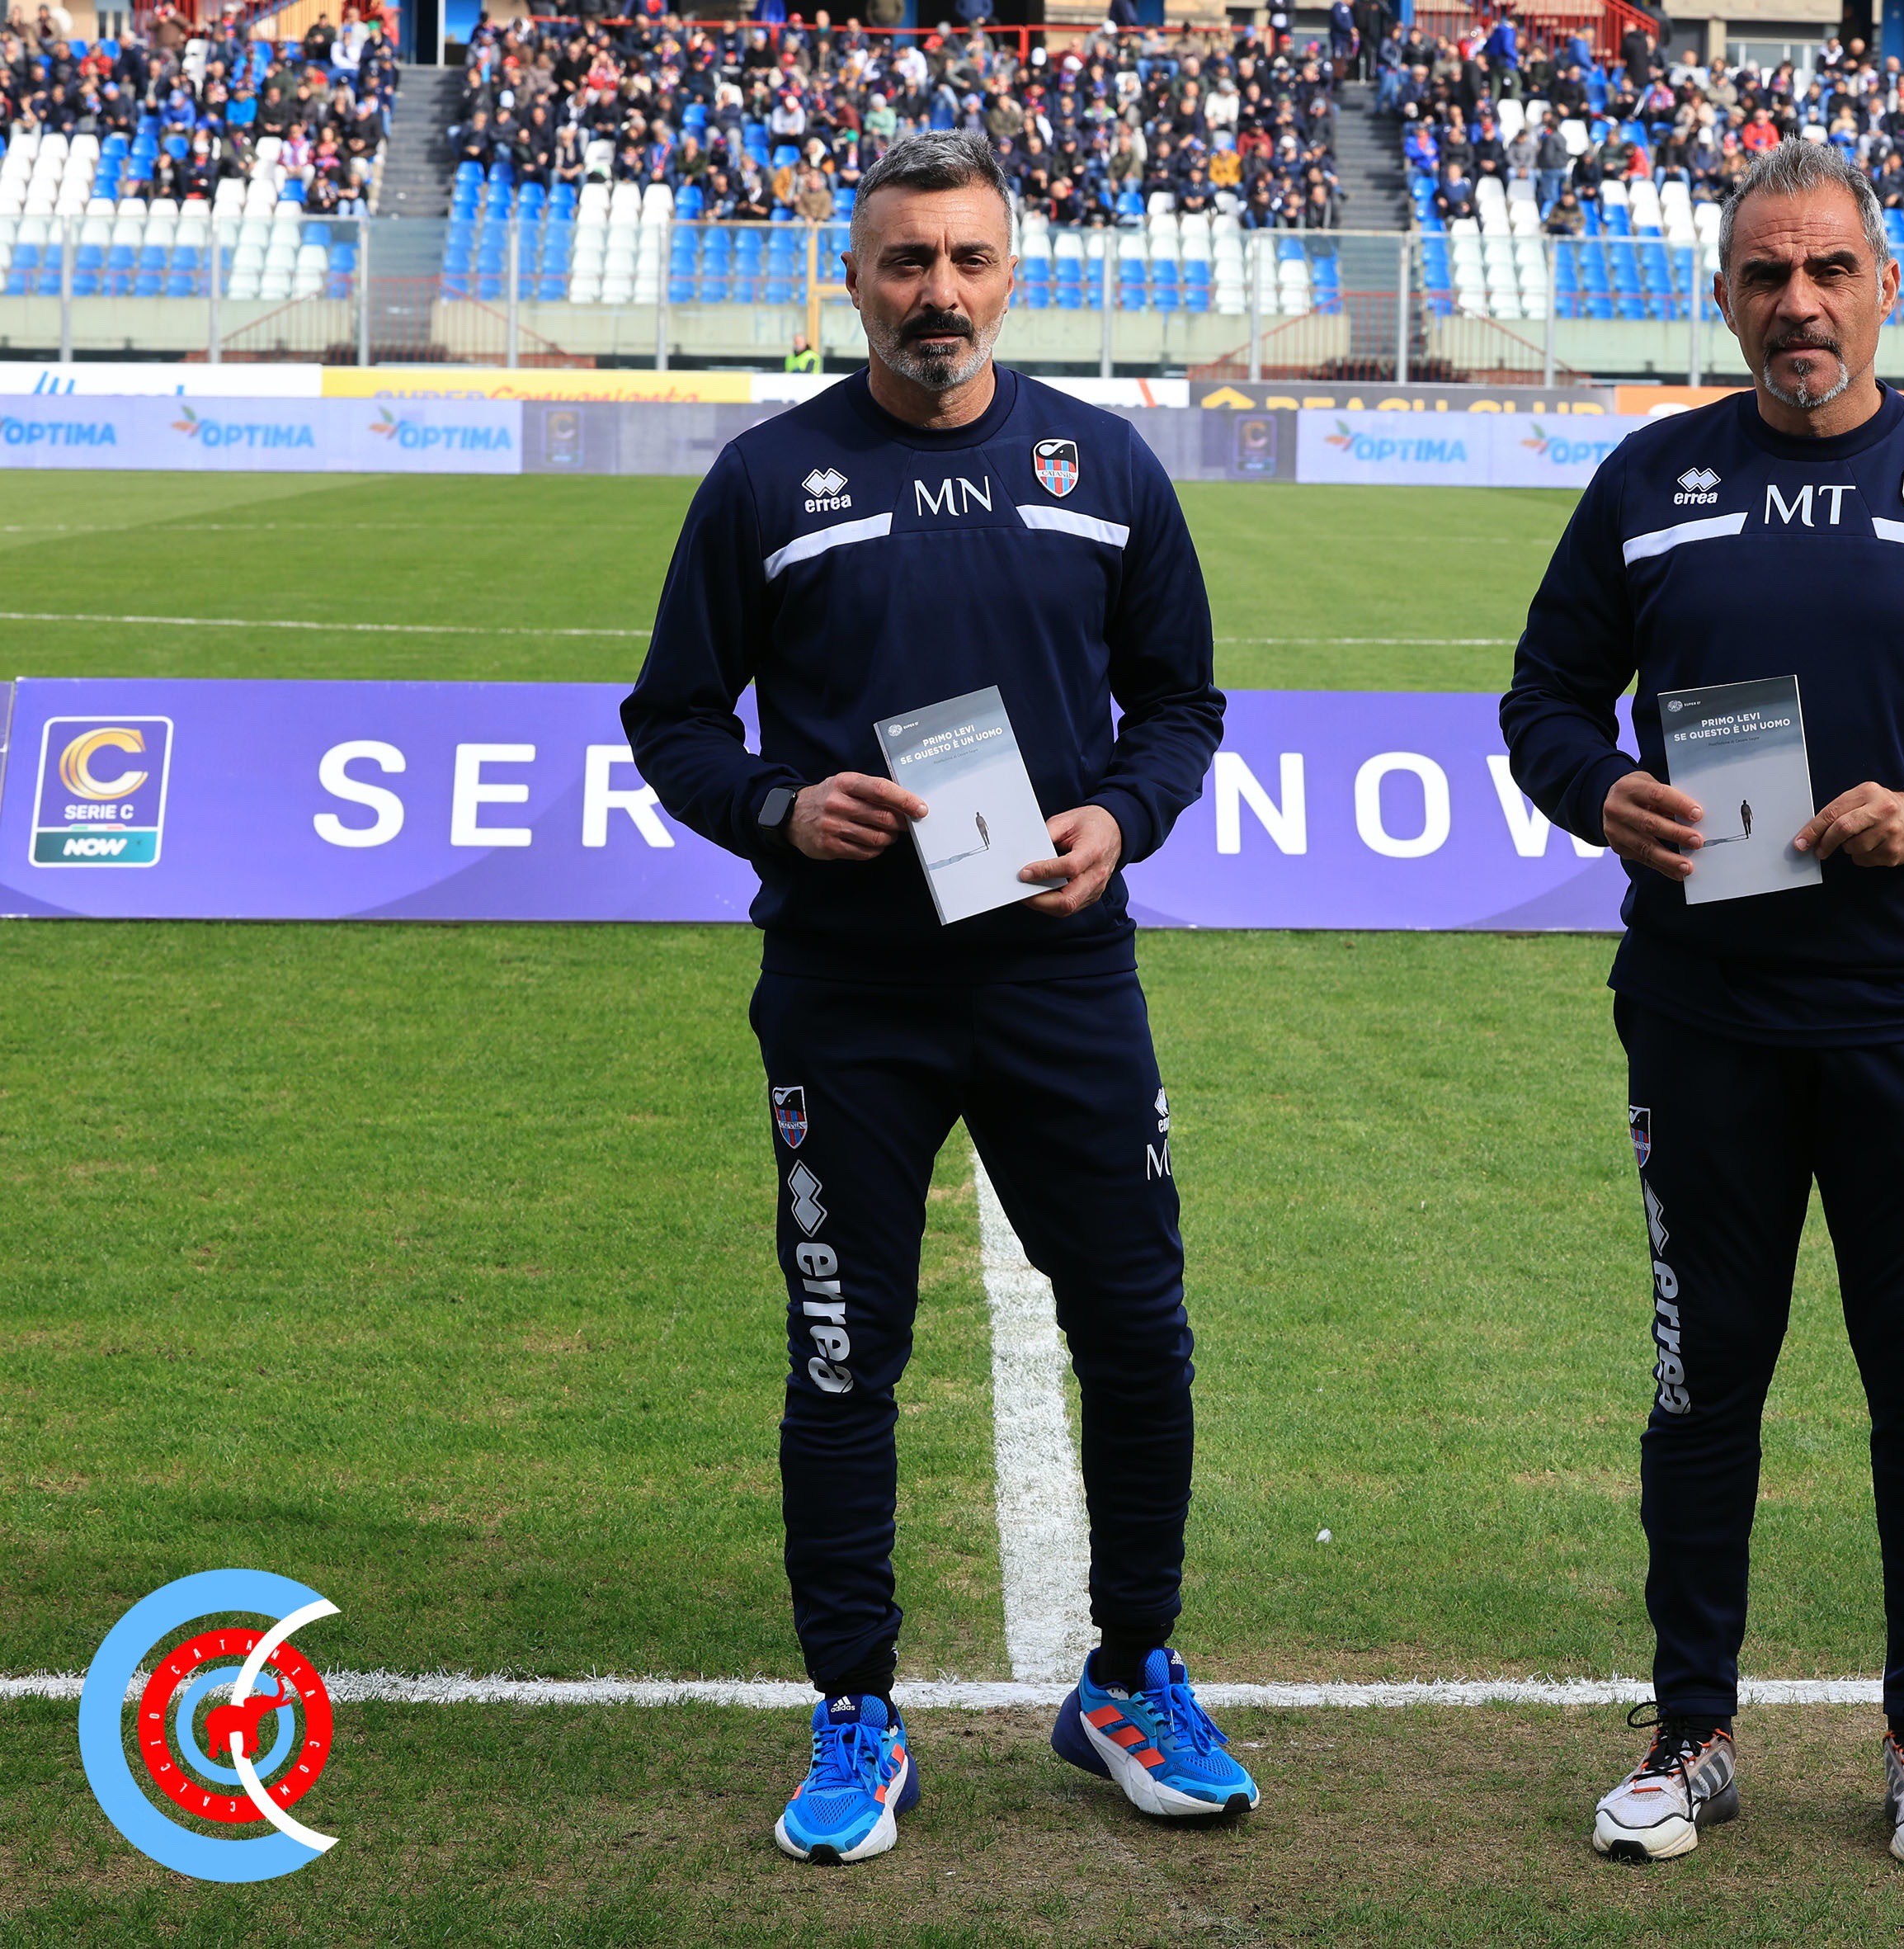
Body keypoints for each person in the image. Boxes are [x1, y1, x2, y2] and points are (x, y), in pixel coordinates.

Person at [620, 128, 1251, 1869]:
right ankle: (854, 1706)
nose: (938, 292)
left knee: (1139, 1332)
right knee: (845, 1354)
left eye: (967, 259)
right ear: (857, 278)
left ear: (1009, 274)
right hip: (850, 990)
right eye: (906, 261)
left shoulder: (1101, 464)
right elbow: (672, 718)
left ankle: (1129, 1675)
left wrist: (1120, 818)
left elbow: (1180, 705)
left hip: (1061, 978)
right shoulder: (768, 480)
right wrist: (779, 807)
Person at [1499, 138, 1904, 1875]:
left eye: (1828, 269)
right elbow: (1543, 700)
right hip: (1705, 1013)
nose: (1798, 304)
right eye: (1765, 274)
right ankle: (1689, 1731)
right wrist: (1598, 791)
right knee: (1703, 1383)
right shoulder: (1649, 479)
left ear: (1882, 285)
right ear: (1724, 294)